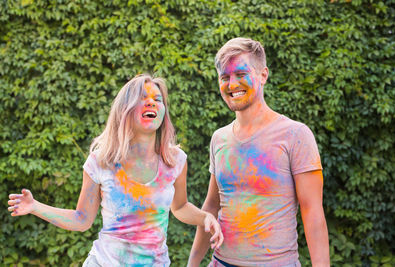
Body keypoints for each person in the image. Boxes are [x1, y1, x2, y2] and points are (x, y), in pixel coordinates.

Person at [8, 74, 223, 266]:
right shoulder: (102, 161)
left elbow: (180, 207)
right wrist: (34, 206)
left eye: (157, 100)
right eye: (142, 98)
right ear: (125, 109)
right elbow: (82, 219)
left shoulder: (175, 160)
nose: (151, 103)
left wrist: (204, 218)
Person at [188, 38, 330, 266]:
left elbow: (313, 213)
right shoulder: (219, 138)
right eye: (224, 77)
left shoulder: (295, 135)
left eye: (241, 74)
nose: (232, 84)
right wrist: (192, 264)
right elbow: (212, 206)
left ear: (263, 75)